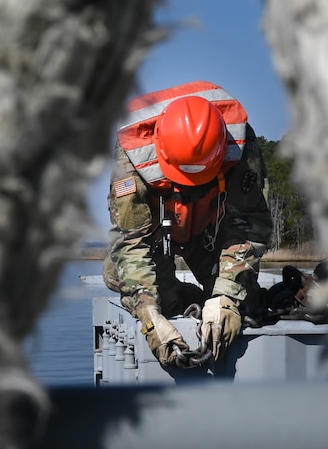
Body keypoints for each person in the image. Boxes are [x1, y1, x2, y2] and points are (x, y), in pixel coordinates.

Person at [102, 80, 272, 367]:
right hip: (158, 233)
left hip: (210, 231)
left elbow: (248, 222)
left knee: (241, 305)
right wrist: (149, 314)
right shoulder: (131, 155)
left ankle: (213, 299)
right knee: (153, 299)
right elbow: (130, 241)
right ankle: (180, 296)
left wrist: (225, 297)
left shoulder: (240, 144)